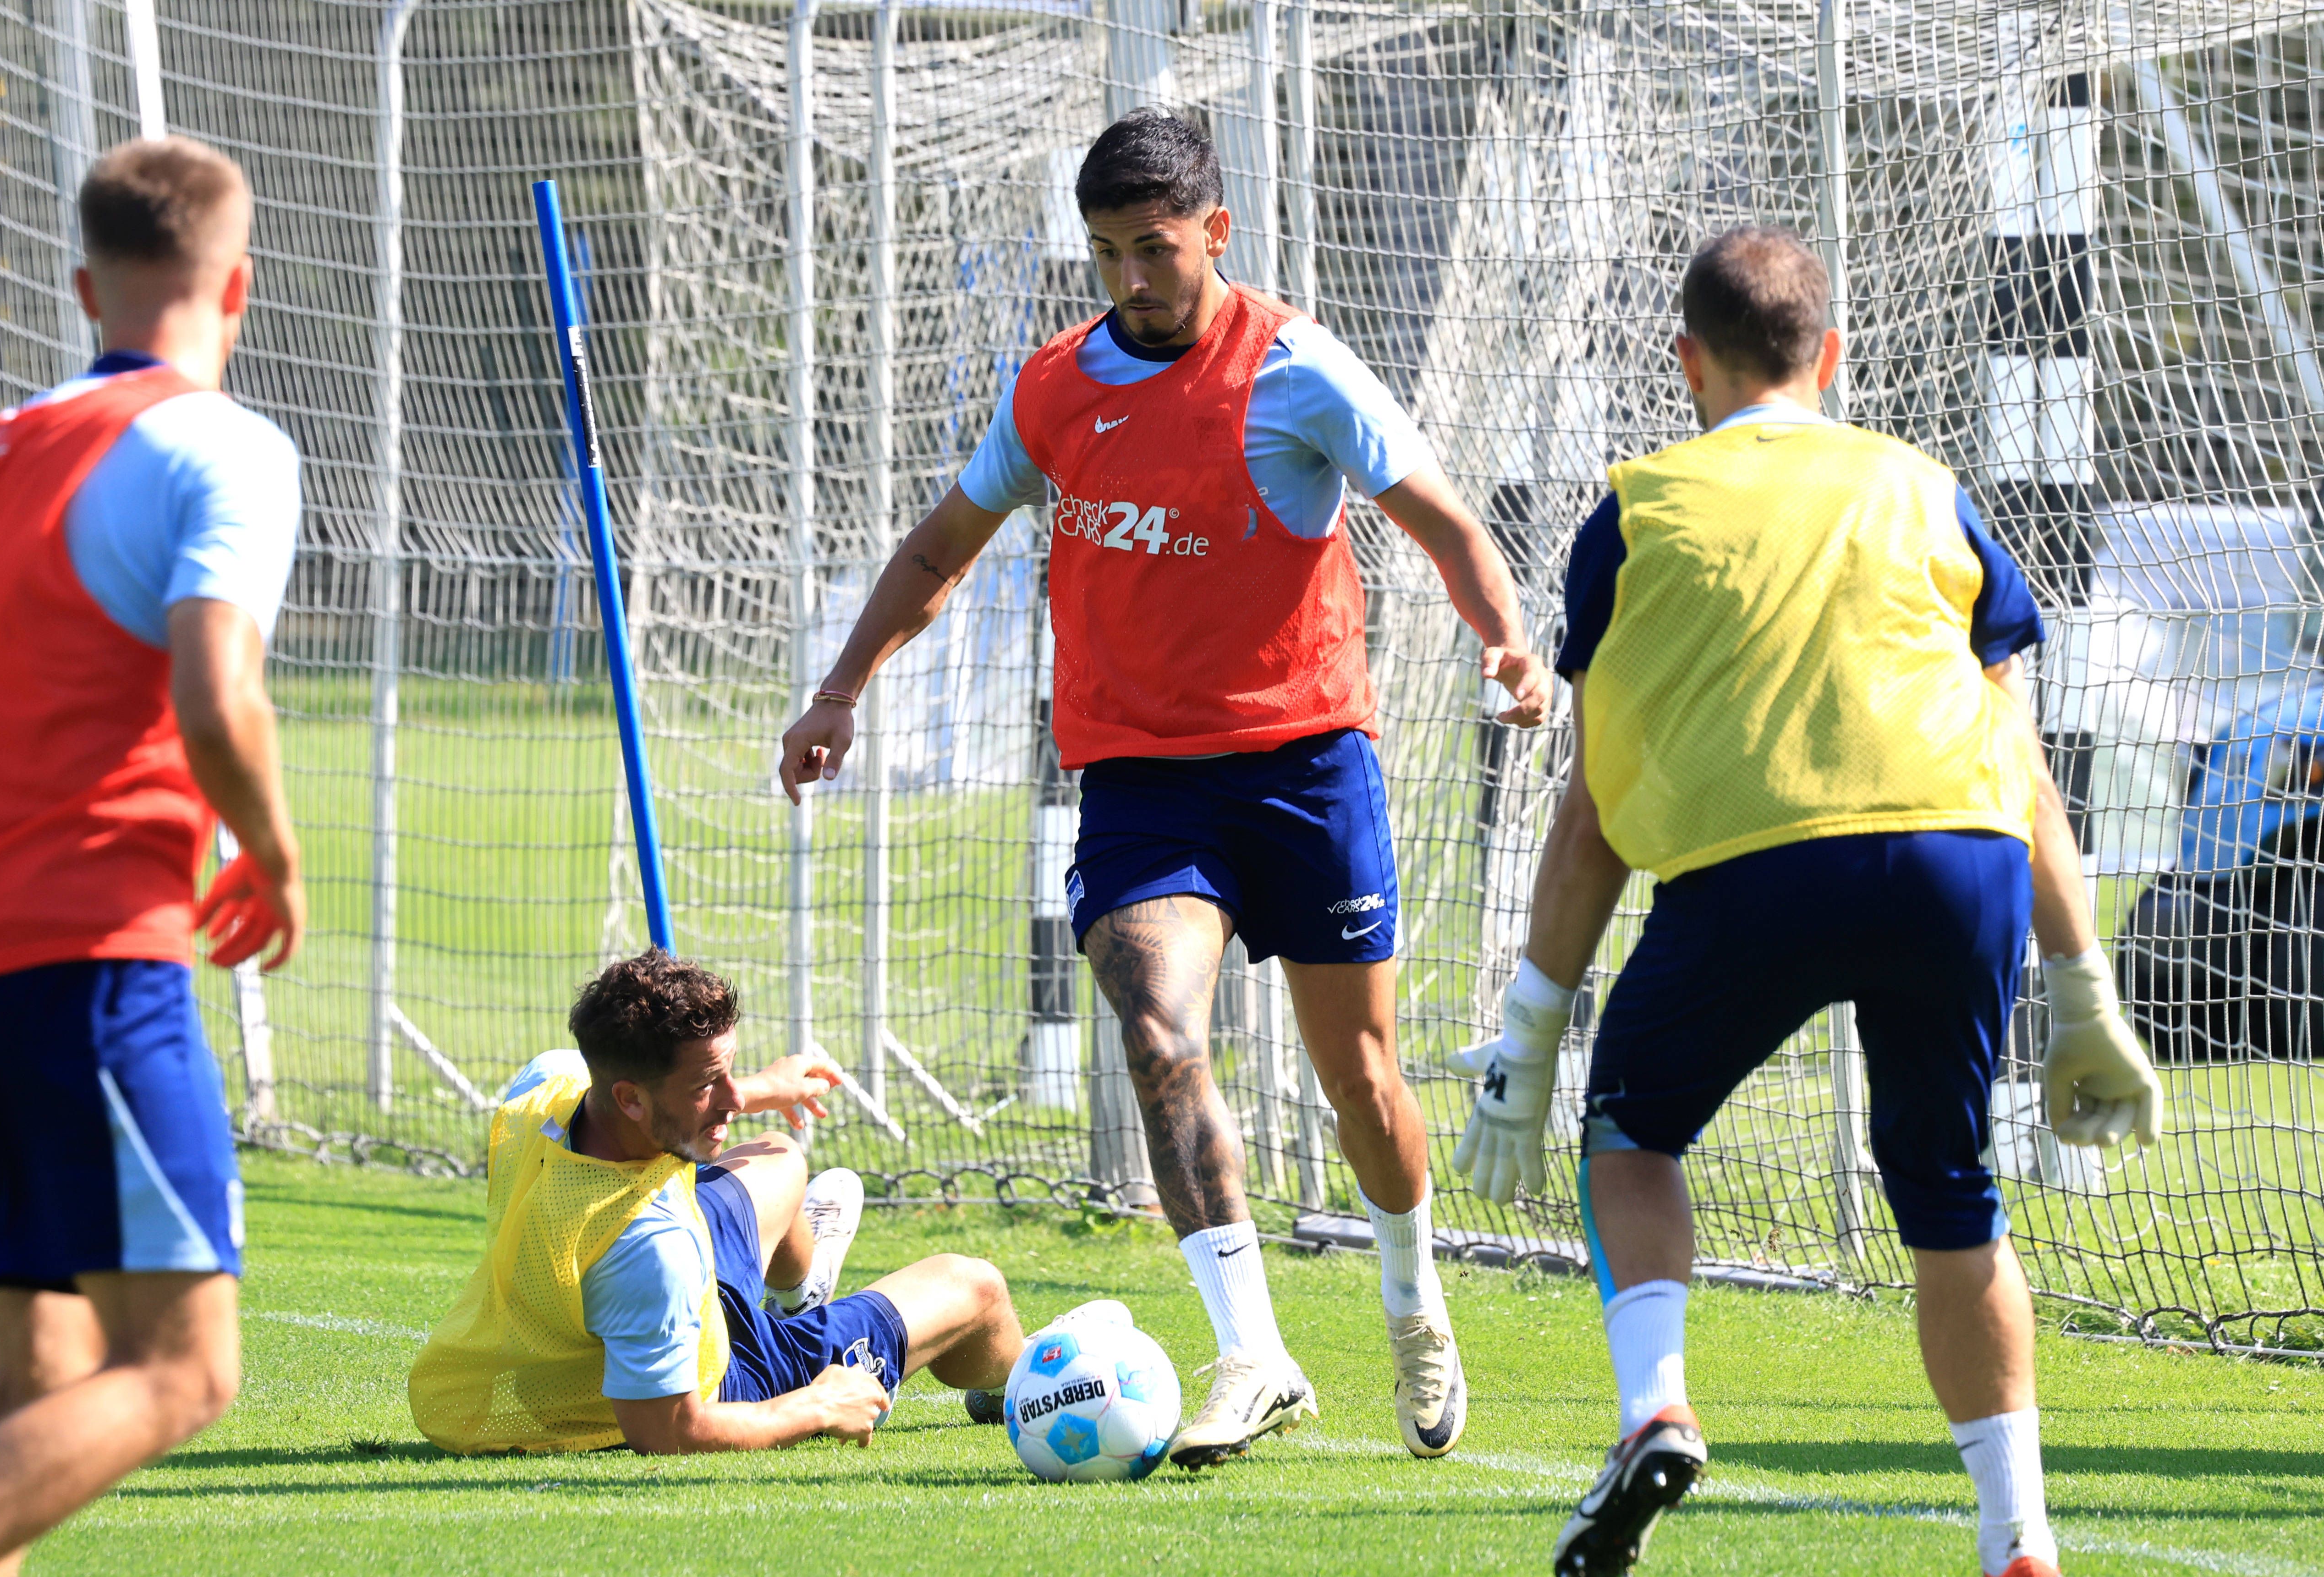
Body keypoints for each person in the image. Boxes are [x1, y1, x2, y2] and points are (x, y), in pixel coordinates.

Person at [778, 108, 1548, 1469]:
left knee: (1358, 1080)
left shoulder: (1297, 369)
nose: (1132, 280)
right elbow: (938, 548)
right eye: (1106, 254)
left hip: (1309, 766)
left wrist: (1505, 645)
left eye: (1155, 249)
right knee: (1159, 1034)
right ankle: (1252, 1352)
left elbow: (1443, 520)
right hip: (1140, 780)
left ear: (1214, 233)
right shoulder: (1055, 390)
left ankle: (1413, 1296)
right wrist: (842, 691)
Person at [1450, 225, 2164, 1577]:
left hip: (1759, 871)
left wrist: (1532, 1036)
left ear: (1686, 365)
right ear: (1829, 356)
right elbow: (2022, 767)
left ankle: (1656, 1404)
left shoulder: (1638, 508)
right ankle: (2020, 1540)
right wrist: (2085, 995)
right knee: (1954, 1203)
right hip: (1959, 863)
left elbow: (1595, 809)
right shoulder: (1928, 487)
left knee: (1635, 1132)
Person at [0, 138, 306, 1577]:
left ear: (84, 281)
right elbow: (215, 689)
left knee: (47, 1374)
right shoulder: (218, 443)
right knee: (181, 1368)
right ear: (239, 288)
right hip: (91, 953)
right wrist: (275, 854)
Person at [408, 951, 1025, 1454]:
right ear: (631, 1100)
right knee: (977, 1287)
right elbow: (670, 1431)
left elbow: (665, 1103)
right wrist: (817, 1405)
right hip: (721, 1377)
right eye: (709, 1084)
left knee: (780, 1157)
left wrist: (764, 1089)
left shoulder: (545, 1089)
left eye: (729, 1070)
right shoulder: (652, 1250)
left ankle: (801, 1297)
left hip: (656, 1286)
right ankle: (1027, 1385)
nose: (731, 1096)